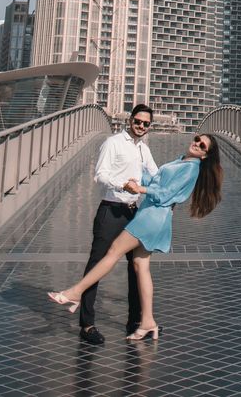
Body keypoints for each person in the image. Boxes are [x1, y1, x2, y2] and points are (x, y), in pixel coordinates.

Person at [48, 132, 222, 340]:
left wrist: (140, 188)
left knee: (113, 252)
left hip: (152, 217)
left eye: (202, 146)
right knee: (141, 266)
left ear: (205, 155)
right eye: (197, 139)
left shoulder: (190, 169)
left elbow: (165, 194)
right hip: (151, 214)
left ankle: (76, 292)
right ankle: (148, 322)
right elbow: (157, 181)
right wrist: (136, 175)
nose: (196, 144)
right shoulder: (181, 160)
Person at [76, 103, 159, 345]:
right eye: (138, 121)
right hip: (111, 211)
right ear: (130, 120)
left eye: (146, 123)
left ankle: (136, 322)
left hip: (134, 213)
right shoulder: (113, 143)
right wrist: (122, 185)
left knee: (136, 268)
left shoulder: (144, 149)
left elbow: (155, 176)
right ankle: (87, 325)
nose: (141, 126)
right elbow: (100, 175)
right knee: (97, 266)